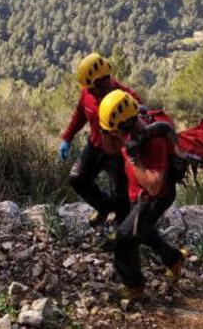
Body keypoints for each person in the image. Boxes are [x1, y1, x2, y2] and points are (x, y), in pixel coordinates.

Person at [98, 89, 186, 300]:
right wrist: (110, 134)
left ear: (124, 125)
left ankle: (134, 288)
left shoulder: (152, 141)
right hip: (137, 194)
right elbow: (109, 150)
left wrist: (133, 158)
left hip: (152, 198)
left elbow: (154, 186)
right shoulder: (131, 128)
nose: (112, 135)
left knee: (124, 240)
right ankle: (173, 258)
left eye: (113, 131)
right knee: (143, 232)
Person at [59, 53, 140, 228]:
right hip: (95, 145)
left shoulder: (123, 97)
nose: (87, 90)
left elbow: (139, 114)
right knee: (78, 179)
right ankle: (104, 207)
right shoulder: (87, 93)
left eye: (90, 87)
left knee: (120, 195)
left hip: (117, 153)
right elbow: (80, 114)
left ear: (102, 81)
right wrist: (67, 138)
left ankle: (122, 229)